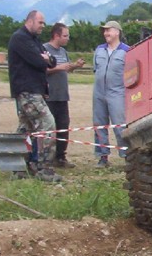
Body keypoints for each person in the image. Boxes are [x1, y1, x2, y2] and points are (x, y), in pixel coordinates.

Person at [7, 10, 62, 182]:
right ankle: (44, 169)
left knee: (26, 129)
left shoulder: (34, 40)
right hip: (27, 91)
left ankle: (18, 168)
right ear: (30, 21)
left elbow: (52, 61)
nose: (43, 26)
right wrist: (43, 58)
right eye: (40, 23)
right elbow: (39, 62)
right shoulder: (20, 38)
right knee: (47, 124)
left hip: (35, 90)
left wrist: (45, 58)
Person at [44, 22, 85, 168]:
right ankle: (47, 158)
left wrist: (74, 66)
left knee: (63, 126)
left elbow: (65, 69)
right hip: (49, 95)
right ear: (56, 36)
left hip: (62, 96)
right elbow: (41, 69)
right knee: (49, 128)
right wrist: (58, 67)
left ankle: (60, 158)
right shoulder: (44, 49)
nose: (68, 38)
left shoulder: (63, 52)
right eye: (65, 36)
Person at [93, 20, 130, 167]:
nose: (106, 33)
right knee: (99, 125)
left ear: (117, 32)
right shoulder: (99, 50)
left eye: (109, 30)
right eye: (104, 31)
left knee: (120, 126)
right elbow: (96, 69)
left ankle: (127, 155)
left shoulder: (127, 51)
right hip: (99, 92)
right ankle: (103, 156)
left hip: (117, 92)